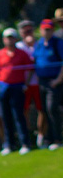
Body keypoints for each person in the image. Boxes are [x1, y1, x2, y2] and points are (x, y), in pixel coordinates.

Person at [0, 27, 34, 155]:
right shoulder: (0, 53)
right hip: (3, 87)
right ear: (4, 40)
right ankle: (9, 145)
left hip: (17, 86)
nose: (9, 40)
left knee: (19, 116)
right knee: (6, 117)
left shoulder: (22, 53)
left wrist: (26, 84)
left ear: (15, 39)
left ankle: (25, 143)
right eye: (7, 38)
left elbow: (30, 68)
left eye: (11, 37)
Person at [33, 19, 63, 149]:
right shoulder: (39, 44)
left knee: (52, 109)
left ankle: (57, 139)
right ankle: (48, 139)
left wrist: (58, 80)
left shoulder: (58, 43)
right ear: (40, 30)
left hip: (54, 81)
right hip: (42, 82)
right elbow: (34, 60)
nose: (47, 31)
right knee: (43, 110)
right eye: (45, 29)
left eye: (49, 29)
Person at [17, 19, 47, 147]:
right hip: (24, 84)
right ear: (21, 33)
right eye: (25, 31)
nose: (28, 33)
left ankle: (41, 136)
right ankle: (27, 137)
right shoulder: (18, 46)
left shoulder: (40, 44)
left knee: (43, 110)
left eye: (30, 30)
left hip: (39, 83)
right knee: (24, 111)